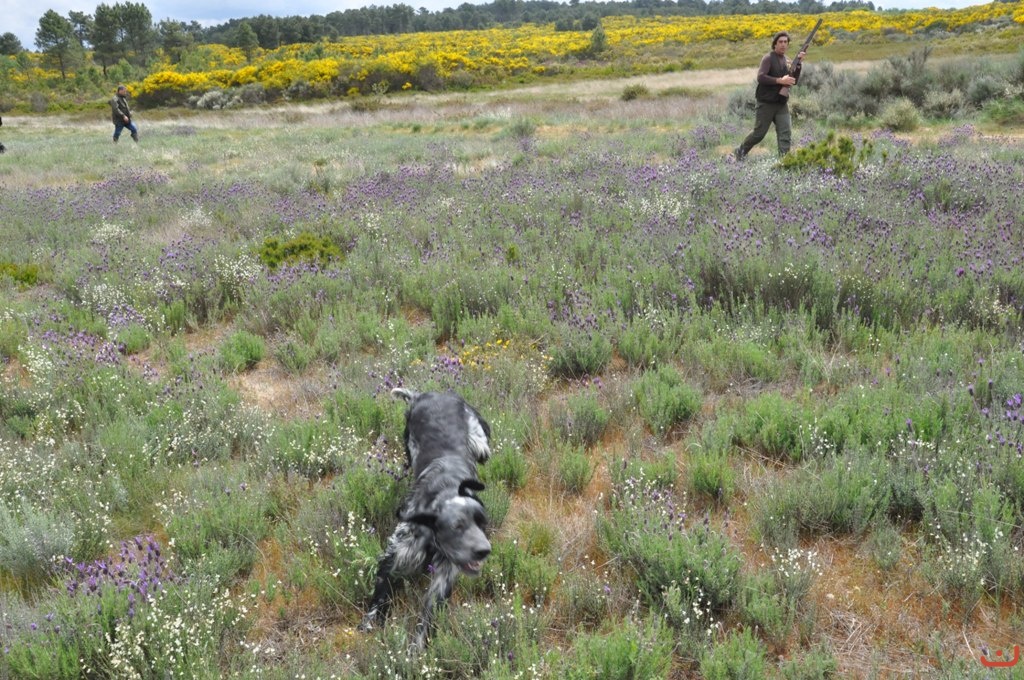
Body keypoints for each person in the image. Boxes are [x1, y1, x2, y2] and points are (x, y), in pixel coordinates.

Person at [734, 31, 806, 160]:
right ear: (775, 44)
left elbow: (793, 81)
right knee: (758, 134)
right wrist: (780, 80)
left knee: (785, 133)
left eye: (785, 42)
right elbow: (761, 77)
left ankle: (785, 162)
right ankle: (740, 152)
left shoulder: (787, 60)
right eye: (780, 42)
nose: (783, 44)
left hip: (781, 103)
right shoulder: (768, 58)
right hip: (766, 103)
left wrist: (799, 63)